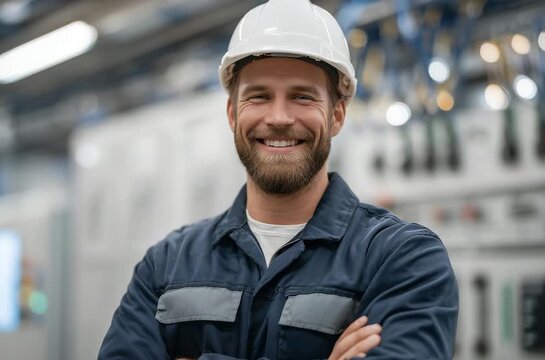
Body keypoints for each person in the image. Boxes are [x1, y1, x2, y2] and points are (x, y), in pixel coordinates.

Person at [98, 0, 459, 359]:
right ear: (232, 114)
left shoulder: (402, 258)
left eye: (302, 96)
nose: (280, 117)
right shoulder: (166, 264)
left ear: (336, 114)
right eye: (259, 96)